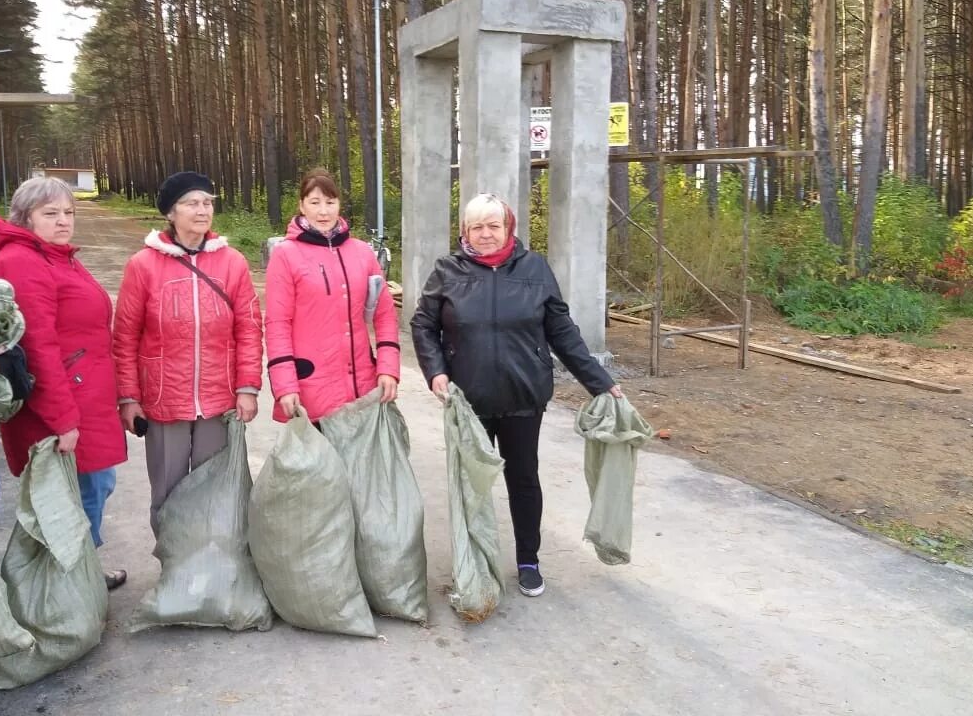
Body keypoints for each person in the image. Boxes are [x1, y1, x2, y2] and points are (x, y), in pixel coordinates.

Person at [410, 192, 623, 598]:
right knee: (470, 485)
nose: (486, 234)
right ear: (465, 232)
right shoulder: (447, 270)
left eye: (494, 225)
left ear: (508, 228)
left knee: (523, 479)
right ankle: (473, 560)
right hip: (468, 399)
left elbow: (562, 331)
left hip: (523, 394)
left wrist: (599, 381)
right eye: (477, 227)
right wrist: (435, 371)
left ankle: (529, 559)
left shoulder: (535, 268)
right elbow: (423, 325)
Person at [0, 177, 128, 590]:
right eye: (51, 213)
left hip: (86, 395)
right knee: (72, 494)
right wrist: (63, 419)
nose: (64, 221)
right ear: (25, 217)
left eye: (69, 212)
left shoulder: (55, 256)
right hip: (61, 406)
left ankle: (78, 573)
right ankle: (64, 586)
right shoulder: (21, 262)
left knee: (89, 487)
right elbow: (38, 347)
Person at [112, 172, 263, 536]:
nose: (202, 210)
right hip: (163, 401)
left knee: (215, 492)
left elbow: (249, 328)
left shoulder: (233, 263)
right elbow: (125, 337)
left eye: (208, 202)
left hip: (219, 398)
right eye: (191, 203)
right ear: (170, 213)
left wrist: (247, 387)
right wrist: (129, 398)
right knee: (168, 490)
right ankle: (173, 571)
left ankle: (212, 570)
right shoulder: (143, 266)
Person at [265, 168, 400, 423]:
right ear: (302, 206)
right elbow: (277, 325)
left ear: (339, 205)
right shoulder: (286, 255)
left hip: (362, 388)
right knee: (320, 463)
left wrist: (388, 368)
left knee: (361, 463)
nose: (323, 211)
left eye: (330, 202)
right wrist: (284, 385)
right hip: (311, 390)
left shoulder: (362, 253)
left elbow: (385, 316)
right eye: (315, 203)